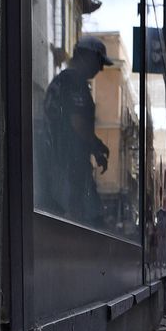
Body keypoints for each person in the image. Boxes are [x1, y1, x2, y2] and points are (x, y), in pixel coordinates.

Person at [42, 34, 112, 223]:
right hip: (68, 166)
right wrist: (96, 146)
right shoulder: (74, 81)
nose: (101, 68)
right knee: (84, 222)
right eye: (99, 61)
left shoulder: (63, 80)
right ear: (87, 57)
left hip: (60, 163)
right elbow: (78, 123)